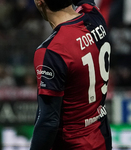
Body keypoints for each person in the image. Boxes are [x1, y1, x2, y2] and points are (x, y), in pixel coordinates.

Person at [30, 0, 112, 149]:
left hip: (72, 144)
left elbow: (48, 121)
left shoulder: (51, 51)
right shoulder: (95, 16)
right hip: (101, 139)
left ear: (39, 2)